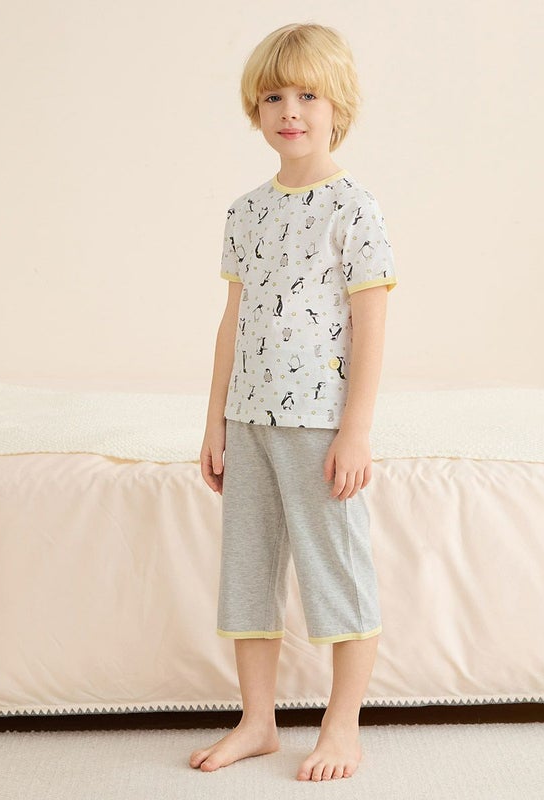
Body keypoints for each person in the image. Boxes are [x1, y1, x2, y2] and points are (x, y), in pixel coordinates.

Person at [190, 21, 398, 782]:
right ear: (256, 108)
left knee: (337, 574)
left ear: (337, 104)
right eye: (274, 96)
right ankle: (258, 722)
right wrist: (214, 422)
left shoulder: (355, 208)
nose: (290, 111)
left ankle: (342, 728)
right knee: (247, 576)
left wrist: (356, 431)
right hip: (247, 422)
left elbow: (371, 324)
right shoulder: (245, 212)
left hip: (318, 425)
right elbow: (233, 322)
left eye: (308, 95)